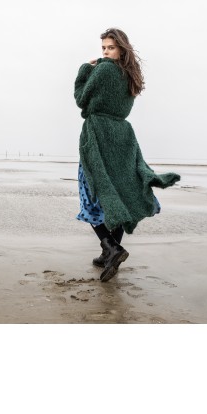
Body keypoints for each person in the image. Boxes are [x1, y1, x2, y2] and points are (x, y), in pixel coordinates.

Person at [74, 28, 181, 282]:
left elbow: (81, 98)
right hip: (122, 136)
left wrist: (84, 69)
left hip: (98, 135)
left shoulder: (103, 70)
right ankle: (109, 255)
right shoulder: (131, 75)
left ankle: (112, 248)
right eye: (103, 48)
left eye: (110, 48)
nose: (105, 52)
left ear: (121, 49)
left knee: (90, 192)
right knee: (120, 192)